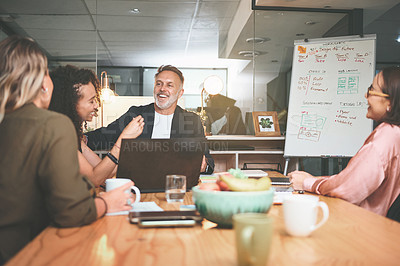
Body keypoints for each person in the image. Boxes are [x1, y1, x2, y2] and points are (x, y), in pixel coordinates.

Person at [0, 36, 135, 264]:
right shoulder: (52, 125)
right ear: (43, 83)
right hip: (25, 253)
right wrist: (108, 203)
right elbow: (71, 212)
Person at [289, 66, 400, 216]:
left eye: (372, 90)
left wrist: (307, 183)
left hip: (361, 227)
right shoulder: (395, 134)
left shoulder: (386, 136)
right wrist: (314, 180)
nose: (365, 95)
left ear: (390, 103)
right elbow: (351, 178)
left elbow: (348, 189)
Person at [86, 65, 215, 174]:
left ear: (180, 93)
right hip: (138, 185)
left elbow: (208, 162)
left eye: (169, 85)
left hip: (175, 185)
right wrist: (81, 138)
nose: (162, 89)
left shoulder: (191, 121)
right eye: (159, 84)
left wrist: (204, 165)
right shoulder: (136, 114)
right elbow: (105, 136)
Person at [49, 65, 144, 187]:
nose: (96, 106)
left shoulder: (75, 138)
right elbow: (94, 179)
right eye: (91, 101)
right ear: (71, 104)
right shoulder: (60, 135)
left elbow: (106, 172)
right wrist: (122, 140)